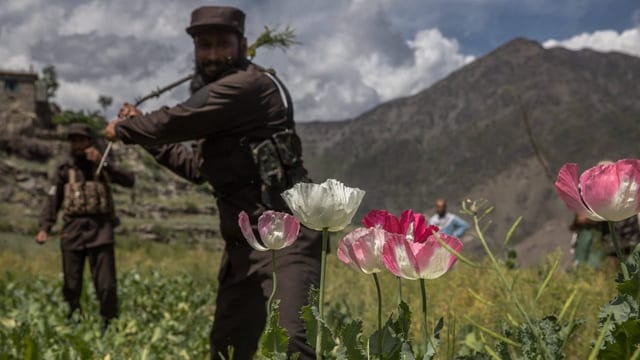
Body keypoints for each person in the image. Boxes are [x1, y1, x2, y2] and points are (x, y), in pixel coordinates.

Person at [104, 6, 321, 359]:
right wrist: (145, 134)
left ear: (243, 45)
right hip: (243, 243)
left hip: (287, 237)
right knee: (228, 347)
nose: (213, 54)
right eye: (204, 46)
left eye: (223, 44)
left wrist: (127, 129)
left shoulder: (247, 86)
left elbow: (174, 121)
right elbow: (194, 168)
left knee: (294, 343)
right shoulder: (219, 108)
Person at [37, 122, 135, 332]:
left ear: (90, 142)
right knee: (71, 285)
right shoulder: (65, 171)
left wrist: (104, 163)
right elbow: (53, 200)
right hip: (72, 234)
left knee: (106, 286)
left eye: (82, 140)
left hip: (101, 233)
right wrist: (45, 227)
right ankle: (73, 320)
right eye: (74, 141)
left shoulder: (102, 166)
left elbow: (129, 181)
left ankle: (109, 325)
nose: (78, 145)